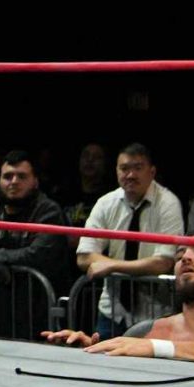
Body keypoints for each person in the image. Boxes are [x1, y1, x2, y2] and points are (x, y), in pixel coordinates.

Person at [41, 236, 194, 370]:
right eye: (180, 255)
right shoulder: (150, 332)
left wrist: (158, 348)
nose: (186, 258)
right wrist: (91, 352)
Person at [0, 151, 72, 338]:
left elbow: (37, 255)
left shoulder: (48, 210)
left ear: (35, 181)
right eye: (8, 176)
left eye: (22, 176)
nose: (14, 182)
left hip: (38, 310)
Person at [73, 143, 185, 338]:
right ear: (116, 171)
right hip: (112, 310)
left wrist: (110, 266)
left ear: (152, 172)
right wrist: (119, 266)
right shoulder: (106, 203)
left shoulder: (168, 203)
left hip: (155, 313)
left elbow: (164, 262)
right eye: (124, 168)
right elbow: (84, 257)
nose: (131, 175)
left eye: (138, 168)